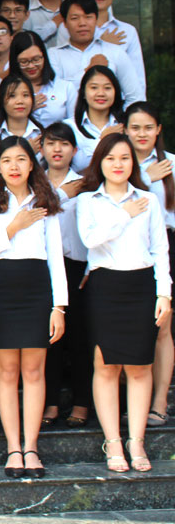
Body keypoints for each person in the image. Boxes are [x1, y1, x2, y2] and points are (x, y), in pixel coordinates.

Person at [76, 133, 171, 473]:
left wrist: (164, 293)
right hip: (105, 286)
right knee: (105, 366)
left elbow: (160, 249)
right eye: (111, 158)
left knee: (140, 366)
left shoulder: (149, 199)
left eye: (125, 158)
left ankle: (137, 440)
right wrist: (124, 214)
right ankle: (113, 441)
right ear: (100, 162)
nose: (118, 164)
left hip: (142, 285)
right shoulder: (88, 200)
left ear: (134, 163)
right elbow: (90, 239)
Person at [0, 137, 67, 478]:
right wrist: (12, 228)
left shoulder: (44, 201)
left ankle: (32, 447)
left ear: (32, 165)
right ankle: (13, 447)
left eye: (21, 159)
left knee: (34, 371)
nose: (14, 166)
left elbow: (55, 257)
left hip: (37, 287)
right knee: (8, 370)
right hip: (1, 288)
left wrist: (59, 306)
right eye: (6, 160)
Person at [124, 103, 175, 428]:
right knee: (134, 328)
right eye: (135, 127)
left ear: (158, 129)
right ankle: (132, 399)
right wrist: (145, 178)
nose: (141, 133)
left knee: (163, 327)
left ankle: (159, 401)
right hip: (127, 251)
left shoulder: (171, 164)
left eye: (148, 127)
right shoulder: (118, 162)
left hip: (166, 245)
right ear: (125, 130)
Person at [41, 122, 91, 428]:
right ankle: (50, 401)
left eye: (63, 144)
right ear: (42, 148)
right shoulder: (35, 182)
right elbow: (34, 214)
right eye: (51, 143)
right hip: (45, 268)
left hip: (78, 267)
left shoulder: (86, 184)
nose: (57, 149)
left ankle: (82, 401)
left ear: (74, 150)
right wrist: (59, 195)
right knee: (49, 338)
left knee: (80, 337)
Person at [9, 31, 76, 127]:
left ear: (44, 57)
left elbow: (75, 124)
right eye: (24, 61)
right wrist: (27, 110)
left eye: (36, 59)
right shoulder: (8, 90)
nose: (31, 66)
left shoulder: (65, 87)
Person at [64, 65, 124, 172]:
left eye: (107, 88)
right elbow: (73, 166)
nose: (101, 93)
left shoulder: (125, 125)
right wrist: (101, 141)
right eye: (94, 88)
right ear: (83, 92)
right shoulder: (69, 127)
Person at [0, 75, 43, 148]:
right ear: (2, 100)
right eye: (12, 96)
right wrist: (29, 151)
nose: (20, 101)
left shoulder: (43, 135)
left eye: (25, 95)